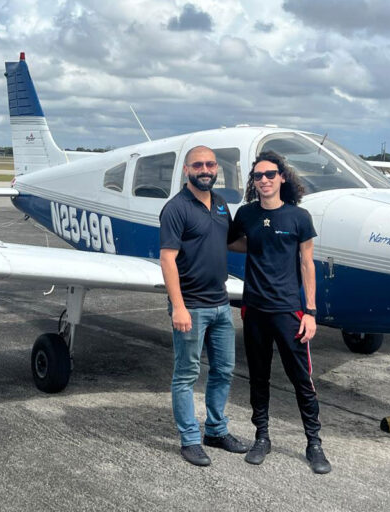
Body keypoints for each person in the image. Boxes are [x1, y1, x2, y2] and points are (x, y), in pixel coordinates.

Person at [228, 150, 331, 474]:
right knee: (258, 378)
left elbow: (307, 264)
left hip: (289, 312)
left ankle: (314, 444)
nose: (264, 180)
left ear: (282, 177)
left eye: (270, 174)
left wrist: (311, 312)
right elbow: (233, 243)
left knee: (302, 380)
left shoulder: (299, 218)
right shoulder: (245, 214)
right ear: (253, 182)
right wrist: (258, 245)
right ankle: (262, 437)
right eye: (258, 176)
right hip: (254, 309)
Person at [159, 145, 248, 466]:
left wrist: (270, 241)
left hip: (221, 303)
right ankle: (190, 439)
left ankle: (216, 430)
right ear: (187, 170)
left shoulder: (221, 205)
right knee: (186, 374)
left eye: (211, 164)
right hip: (192, 306)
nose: (206, 169)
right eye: (198, 165)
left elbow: (230, 241)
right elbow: (167, 259)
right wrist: (178, 307)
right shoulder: (176, 209)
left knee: (224, 370)